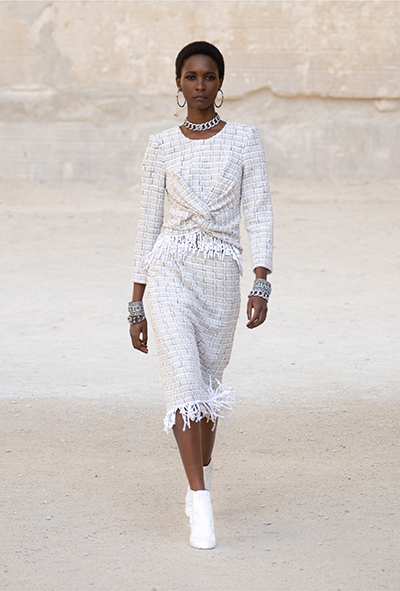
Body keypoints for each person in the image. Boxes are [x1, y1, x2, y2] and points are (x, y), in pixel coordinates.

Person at [129, 41, 273, 549]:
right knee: (183, 383)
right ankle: (201, 501)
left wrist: (261, 280)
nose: (200, 86)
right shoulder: (161, 146)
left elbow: (259, 212)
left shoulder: (245, 141)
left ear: (220, 83)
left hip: (221, 276)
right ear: (178, 83)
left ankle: (200, 476)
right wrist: (136, 302)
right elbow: (148, 222)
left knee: (207, 389)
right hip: (169, 269)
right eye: (191, 77)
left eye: (209, 77)